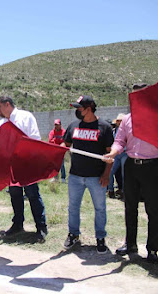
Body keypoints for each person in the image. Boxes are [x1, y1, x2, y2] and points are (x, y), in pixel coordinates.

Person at [104, 83, 158, 264]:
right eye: (132, 97)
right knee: (130, 207)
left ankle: (152, 249)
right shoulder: (127, 119)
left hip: (152, 167)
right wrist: (112, 153)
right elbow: (119, 141)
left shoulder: (155, 115)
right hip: (131, 165)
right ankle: (131, 244)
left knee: (153, 209)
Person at [62, 95, 114, 254]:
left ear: (89, 108)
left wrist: (106, 175)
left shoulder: (104, 127)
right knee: (73, 207)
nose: (77, 111)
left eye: (79, 108)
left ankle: (100, 237)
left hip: (96, 177)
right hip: (76, 176)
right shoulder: (73, 126)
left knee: (99, 208)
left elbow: (110, 155)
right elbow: (66, 144)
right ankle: (73, 234)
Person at [0, 96, 48, 242]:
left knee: (32, 194)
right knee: (15, 194)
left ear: (7, 104)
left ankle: (41, 227)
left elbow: (35, 138)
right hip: (11, 166)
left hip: (27, 163)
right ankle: (18, 224)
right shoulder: (2, 123)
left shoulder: (25, 116)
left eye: (0, 106)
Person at [107, 113, 127, 199]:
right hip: (116, 154)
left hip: (125, 153)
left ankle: (124, 191)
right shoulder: (114, 131)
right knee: (110, 171)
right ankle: (110, 190)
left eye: (121, 121)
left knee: (124, 173)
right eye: (118, 121)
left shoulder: (127, 131)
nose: (119, 122)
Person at [48, 119, 67, 183]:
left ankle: (63, 178)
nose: (56, 126)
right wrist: (57, 141)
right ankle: (55, 178)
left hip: (61, 150)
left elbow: (64, 141)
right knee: (55, 165)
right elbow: (50, 141)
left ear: (60, 125)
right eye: (55, 125)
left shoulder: (63, 132)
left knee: (61, 164)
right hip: (54, 150)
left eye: (57, 125)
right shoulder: (52, 132)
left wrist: (56, 140)